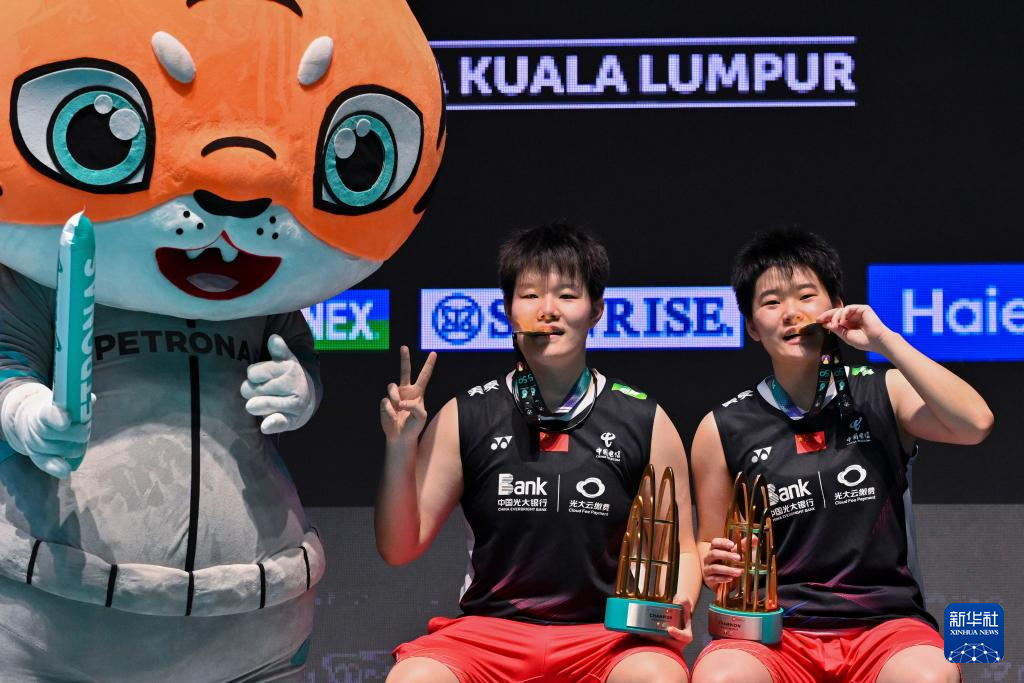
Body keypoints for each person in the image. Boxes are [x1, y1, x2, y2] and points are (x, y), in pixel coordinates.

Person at [376, 223, 701, 683]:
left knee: (656, 676)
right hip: (489, 635)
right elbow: (399, 547)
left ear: (596, 311)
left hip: (606, 636)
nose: (548, 310)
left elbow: (682, 548)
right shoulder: (464, 415)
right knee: (415, 678)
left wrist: (679, 604)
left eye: (567, 295)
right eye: (530, 295)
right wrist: (400, 446)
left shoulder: (645, 420)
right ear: (508, 310)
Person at [690, 229, 993, 683]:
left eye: (806, 296)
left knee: (929, 675)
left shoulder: (884, 392)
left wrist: (884, 341)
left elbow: (975, 423)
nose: (791, 313)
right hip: (773, 632)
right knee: (720, 677)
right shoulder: (722, 428)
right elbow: (706, 544)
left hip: (885, 627)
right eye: (771, 302)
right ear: (751, 325)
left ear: (835, 305)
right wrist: (714, 564)